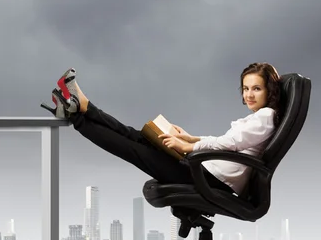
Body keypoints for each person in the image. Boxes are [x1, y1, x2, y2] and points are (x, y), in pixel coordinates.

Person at [40, 62, 281, 196]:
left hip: (210, 180)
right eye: (246, 88)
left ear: (269, 90)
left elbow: (230, 145)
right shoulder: (259, 118)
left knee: (133, 149)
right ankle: (85, 107)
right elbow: (228, 141)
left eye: (256, 89)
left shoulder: (265, 118)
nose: (249, 94)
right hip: (203, 168)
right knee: (138, 136)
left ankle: (77, 118)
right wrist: (189, 137)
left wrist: (187, 146)